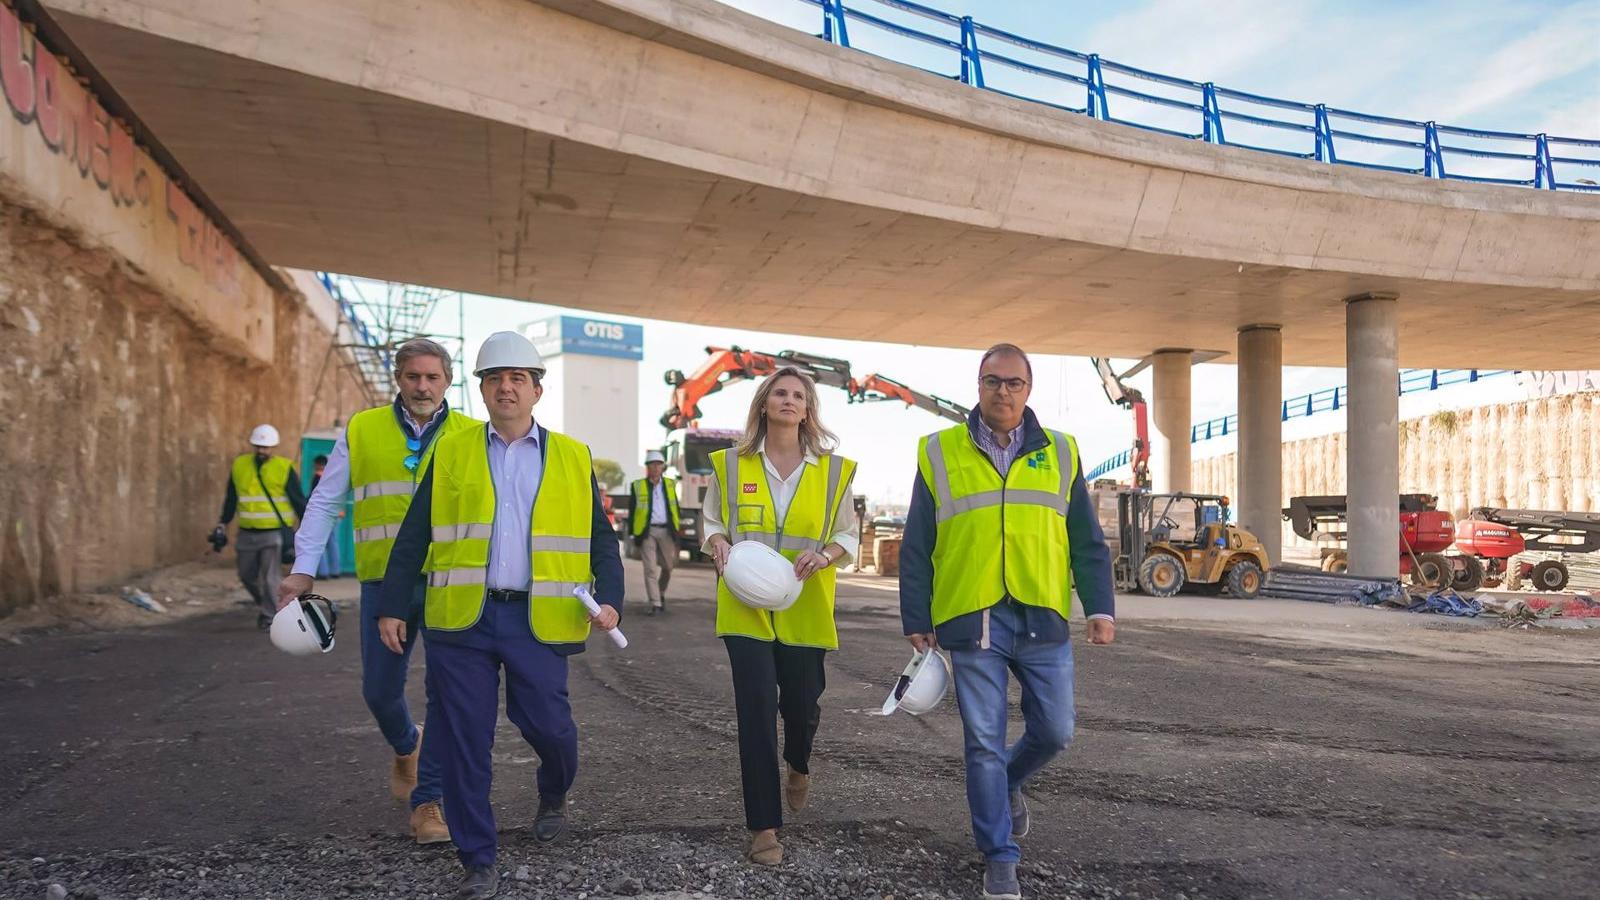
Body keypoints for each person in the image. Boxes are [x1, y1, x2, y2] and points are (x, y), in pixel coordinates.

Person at [377, 330, 623, 900]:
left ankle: (553, 791)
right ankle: (478, 857)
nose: (506, 388)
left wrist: (609, 597)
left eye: (518, 379)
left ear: (537, 390)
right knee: (465, 737)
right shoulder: (453, 450)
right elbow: (416, 533)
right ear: (481, 391)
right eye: (495, 380)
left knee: (550, 728)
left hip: (539, 618)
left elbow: (600, 540)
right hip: (464, 620)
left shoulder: (572, 455)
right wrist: (392, 604)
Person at [899, 343, 1116, 900]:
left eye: (1014, 383)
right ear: (978, 385)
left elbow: (1086, 541)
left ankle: (1008, 785)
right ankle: (999, 854)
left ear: (1028, 388)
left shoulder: (1062, 453)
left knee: (1056, 731)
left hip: (1041, 614)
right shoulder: (938, 451)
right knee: (983, 744)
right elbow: (917, 544)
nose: (1003, 391)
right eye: (993, 381)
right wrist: (916, 615)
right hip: (972, 618)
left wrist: (1099, 607)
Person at [277, 338, 476, 844]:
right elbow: (325, 502)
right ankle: (407, 745)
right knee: (380, 691)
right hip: (383, 584)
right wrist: (304, 568)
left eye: (432, 377)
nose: (423, 386)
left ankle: (429, 802)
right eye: (413, 377)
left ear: (448, 381)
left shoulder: (474, 435)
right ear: (398, 379)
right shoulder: (361, 430)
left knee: (446, 693)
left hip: (450, 581)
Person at [703, 367, 858, 867]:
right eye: (780, 393)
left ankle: (799, 764)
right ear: (764, 403)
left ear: (808, 409)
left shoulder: (834, 471)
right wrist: (718, 541)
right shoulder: (729, 466)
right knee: (753, 715)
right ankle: (763, 828)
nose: (788, 400)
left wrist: (827, 556)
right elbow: (711, 521)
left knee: (802, 704)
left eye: (798, 395)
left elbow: (848, 533)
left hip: (805, 609)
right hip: (744, 610)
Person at [216, 424, 306, 630]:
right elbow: (231, 497)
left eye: (266, 447)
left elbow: (298, 501)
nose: (261, 451)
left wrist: (306, 529)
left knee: (270, 577)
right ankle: (268, 602)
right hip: (247, 532)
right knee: (246, 575)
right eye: (258, 446)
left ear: (273, 447)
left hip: (273, 533)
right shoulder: (240, 465)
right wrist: (223, 522)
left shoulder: (284, 468)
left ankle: (269, 616)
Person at [628, 449, 682, 615]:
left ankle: (660, 593)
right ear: (648, 467)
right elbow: (632, 510)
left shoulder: (670, 484)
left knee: (668, 566)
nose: (656, 467)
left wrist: (678, 529)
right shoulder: (638, 486)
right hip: (647, 532)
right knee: (650, 569)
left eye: (659, 464)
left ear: (663, 467)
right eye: (652, 464)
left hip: (667, 531)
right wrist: (632, 533)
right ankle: (655, 603)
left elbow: (675, 507)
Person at [309, 454, 343, 579]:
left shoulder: (318, 478)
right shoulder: (334, 477)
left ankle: (323, 572)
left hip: (323, 514)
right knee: (333, 543)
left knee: (320, 541)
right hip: (336, 513)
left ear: (318, 464)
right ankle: (336, 571)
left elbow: (313, 496)